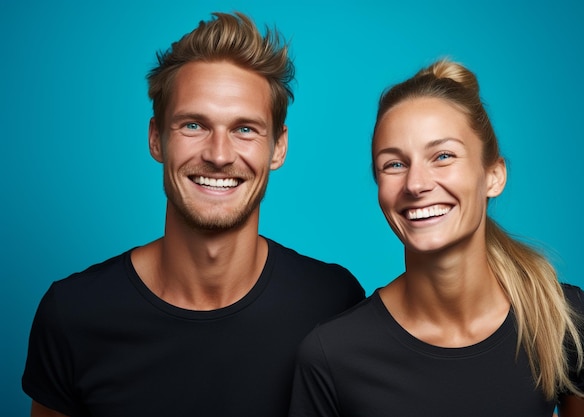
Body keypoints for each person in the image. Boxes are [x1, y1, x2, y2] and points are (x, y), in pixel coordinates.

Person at [22, 12, 364, 417]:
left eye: (245, 129)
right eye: (193, 125)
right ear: (156, 138)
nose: (218, 155)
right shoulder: (73, 314)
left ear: (278, 147)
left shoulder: (333, 303)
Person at [289, 59, 584, 417]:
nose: (416, 184)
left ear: (493, 176)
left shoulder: (567, 319)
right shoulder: (331, 355)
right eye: (394, 164)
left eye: (443, 156)